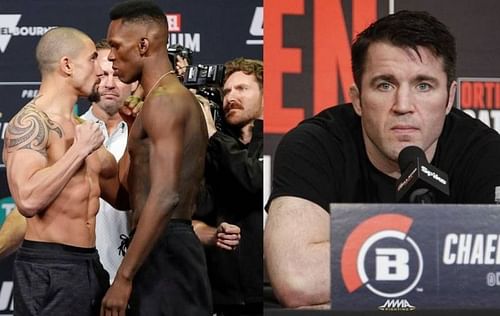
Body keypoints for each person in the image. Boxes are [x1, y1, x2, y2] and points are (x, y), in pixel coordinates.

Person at [264, 10, 500, 308]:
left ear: (450, 98)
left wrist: (356, 290)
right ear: (358, 99)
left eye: (423, 85)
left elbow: (494, 273)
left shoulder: (485, 153)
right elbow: (298, 279)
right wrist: (449, 261)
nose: (403, 106)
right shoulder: (314, 145)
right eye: (384, 85)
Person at [1, 27, 123, 315]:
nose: (101, 68)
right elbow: (28, 200)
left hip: (90, 264)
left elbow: (122, 198)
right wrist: (78, 152)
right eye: (93, 58)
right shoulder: (30, 124)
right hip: (48, 267)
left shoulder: (84, 129)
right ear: (67, 65)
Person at [101, 1, 212, 315]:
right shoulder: (151, 104)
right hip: (156, 244)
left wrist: (124, 277)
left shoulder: (165, 102)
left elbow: (165, 196)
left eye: (115, 46)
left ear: (143, 44)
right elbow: (128, 198)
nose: (110, 56)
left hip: (167, 247)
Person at [195, 57, 263, 315]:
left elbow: (254, 179)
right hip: (222, 297)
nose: (230, 97)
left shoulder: (279, 142)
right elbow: (197, 211)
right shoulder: (214, 149)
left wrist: (214, 136)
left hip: (267, 294)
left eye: (242, 89)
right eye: (226, 91)